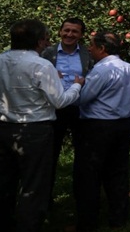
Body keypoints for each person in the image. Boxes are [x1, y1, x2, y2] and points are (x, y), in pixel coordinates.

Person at [0, 19, 85, 232]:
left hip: (1, 130)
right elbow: (59, 101)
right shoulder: (41, 65)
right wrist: (76, 86)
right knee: (33, 186)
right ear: (39, 41)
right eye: (46, 39)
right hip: (34, 131)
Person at [73, 31, 130, 231]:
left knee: (89, 174)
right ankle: (119, 218)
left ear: (102, 48)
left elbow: (84, 98)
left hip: (98, 126)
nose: (89, 49)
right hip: (123, 125)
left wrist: (77, 85)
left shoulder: (101, 70)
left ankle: (87, 221)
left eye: (92, 46)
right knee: (118, 172)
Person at [41, 17, 94, 198]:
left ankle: (81, 197)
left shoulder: (87, 55)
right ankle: (45, 199)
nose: (69, 34)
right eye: (66, 30)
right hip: (54, 108)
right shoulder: (48, 53)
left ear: (81, 35)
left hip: (79, 108)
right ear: (60, 31)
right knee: (49, 155)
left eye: (74, 31)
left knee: (84, 155)